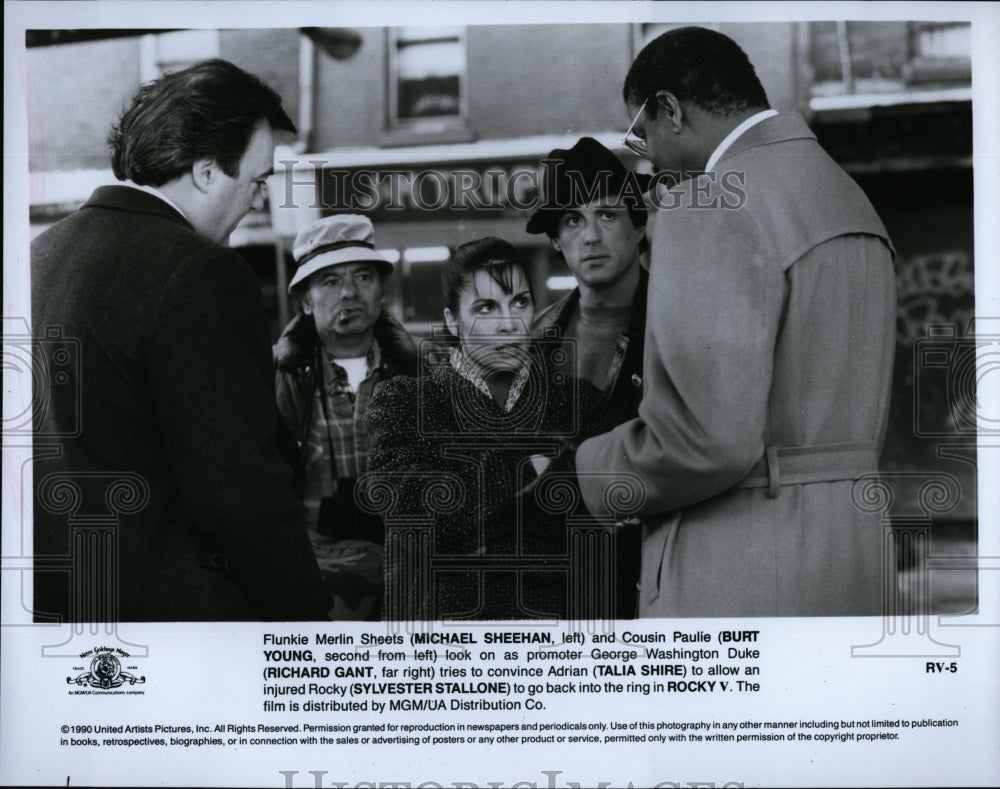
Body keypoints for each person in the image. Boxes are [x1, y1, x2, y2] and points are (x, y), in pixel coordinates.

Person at [573, 27, 897, 617]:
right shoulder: (847, 194)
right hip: (855, 551)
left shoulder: (709, 202)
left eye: (642, 133)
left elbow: (707, 440)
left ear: (669, 108)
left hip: (741, 564)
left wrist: (583, 472)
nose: (648, 155)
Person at [31, 59, 330, 622]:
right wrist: (309, 626)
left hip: (60, 618)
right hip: (183, 628)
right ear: (208, 171)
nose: (259, 200)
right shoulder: (202, 272)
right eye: (258, 180)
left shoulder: (38, 257)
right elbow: (241, 498)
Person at [365, 238, 613, 621]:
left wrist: (468, 480)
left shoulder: (581, 403)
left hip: (555, 648)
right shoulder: (404, 401)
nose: (508, 323)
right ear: (452, 320)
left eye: (520, 302)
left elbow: (597, 536)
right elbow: (422, 520)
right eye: (486, 307)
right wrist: (543, 472)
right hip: (443, 653)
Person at [526, 137, 650, 618]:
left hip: (654, 578)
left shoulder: (675, 321)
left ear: (639, 226)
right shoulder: (538, 337)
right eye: (573, 220)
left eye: (608, 214)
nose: (591, 236)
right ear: (556, 240)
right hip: (563, 587)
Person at [274, 214, 418, 618]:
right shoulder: (269, 382)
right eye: (331, 282)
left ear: (382, 291)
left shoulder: (425, 374)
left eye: (363, 278)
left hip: (406, 584)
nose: (350, 293)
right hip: (310, 588)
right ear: (305, 301)